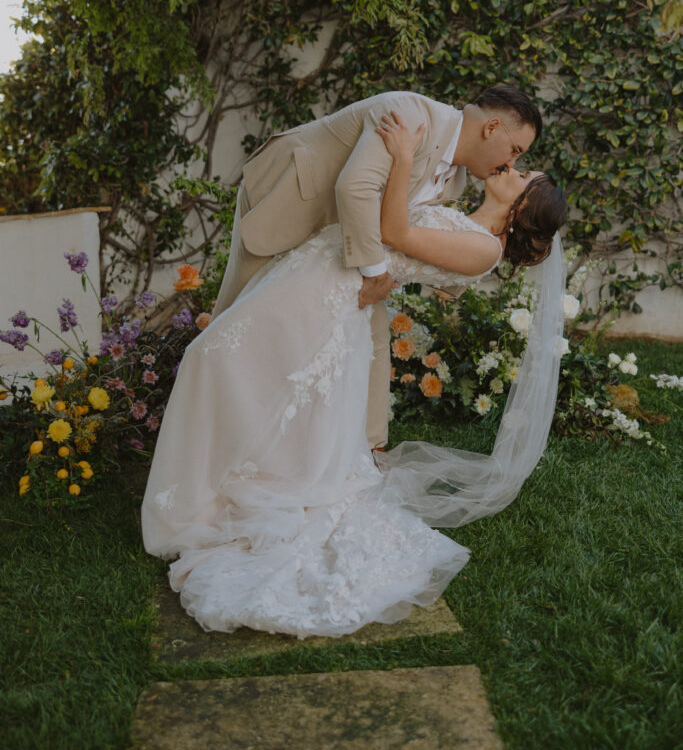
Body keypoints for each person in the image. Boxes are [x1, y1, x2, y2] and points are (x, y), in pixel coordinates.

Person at [141, 110, 568, 639]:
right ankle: (223, 488)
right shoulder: (462, 212)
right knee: (241, 371)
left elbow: (393, 231)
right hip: (319, 271)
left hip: (330, 290)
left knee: (214, 359)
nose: (513, 167)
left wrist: (406, 156)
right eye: (519, 160)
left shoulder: (483, 249)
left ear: (524, 207)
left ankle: (207, 498)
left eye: (525, 175)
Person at [211, 86, 542, 452]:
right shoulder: (411, 116)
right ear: (492, 127)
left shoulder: (457, 180)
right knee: (234, 325)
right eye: (515, 150)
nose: (510, 164)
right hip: (291, 200)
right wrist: (374, 275)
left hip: (334, 254)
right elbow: (356, 189)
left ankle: (368, 449)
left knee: (372, 331)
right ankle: (210, 436)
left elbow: (403, 233)